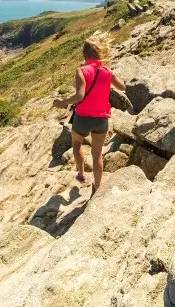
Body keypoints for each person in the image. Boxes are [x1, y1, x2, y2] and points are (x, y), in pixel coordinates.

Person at [53, 32, 125, 194]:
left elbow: (79, 96)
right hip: (101, 119)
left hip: (83, 117)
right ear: (99, 52)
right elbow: (122, 87)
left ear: (85, 54)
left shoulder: (82, 71)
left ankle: (81, 174)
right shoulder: (107, 71)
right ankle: (97, 186)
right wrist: (112, 75)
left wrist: (62, 102)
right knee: (97, 154)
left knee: (77, 144)